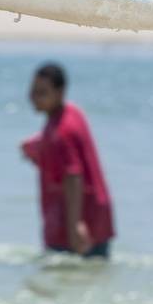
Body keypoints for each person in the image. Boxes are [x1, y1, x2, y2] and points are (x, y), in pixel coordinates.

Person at [21, 63, 114, 258]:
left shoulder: (61, 132)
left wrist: (74, 226)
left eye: (42, 92)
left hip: (76, 224)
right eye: (33, 91)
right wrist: (39, 147)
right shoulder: (72, 112)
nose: (34, 97)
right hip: (96, 216)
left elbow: (73, 176)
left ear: (60, 92)